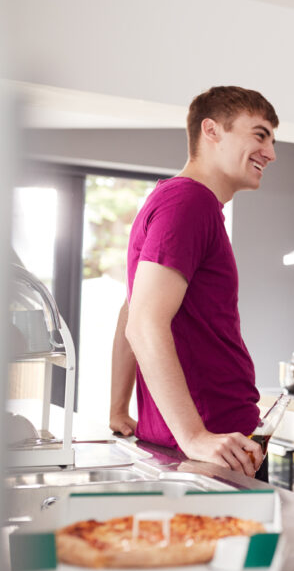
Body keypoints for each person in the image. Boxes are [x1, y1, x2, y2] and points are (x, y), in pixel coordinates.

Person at [108, 86, 278, 478]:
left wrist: (119, 408)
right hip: (218, 444)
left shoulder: (171, 200)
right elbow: (144, 322)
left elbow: (131, 310)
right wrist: (194, 435)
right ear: (212, 130)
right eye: (259, 134)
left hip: (207, 441)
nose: (270, 152)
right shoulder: (190, 202)